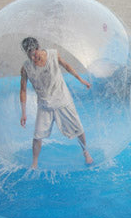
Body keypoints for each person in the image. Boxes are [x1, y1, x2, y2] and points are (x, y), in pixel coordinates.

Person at [19, 37, 93, 169]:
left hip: (62, 100)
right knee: (37, 136)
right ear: (26, 52)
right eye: (30, 53)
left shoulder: (53, 54)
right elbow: (23, 90)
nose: (34, 55)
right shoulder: (26, 68)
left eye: (35, 51)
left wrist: (81, 80)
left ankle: (86, 152)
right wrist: (23, 113)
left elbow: (67, 66)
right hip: (44, 104)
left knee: (78, 128)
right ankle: (34, 162)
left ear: (38, 48)